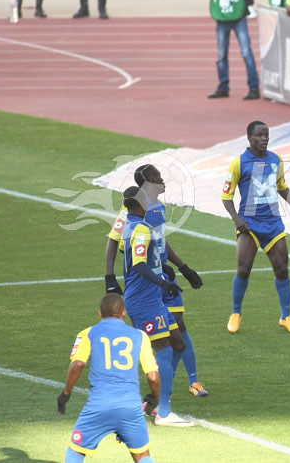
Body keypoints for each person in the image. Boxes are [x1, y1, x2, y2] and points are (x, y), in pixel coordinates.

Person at [105, 164, 207, 398]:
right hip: (146, 282)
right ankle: (150, 390)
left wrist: (184, 268)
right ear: (146, 184)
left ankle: (193, 381)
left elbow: (160, 241)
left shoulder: (159, 208)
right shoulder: (130, 211)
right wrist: (110, 276)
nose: (162, 179)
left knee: (179, 327)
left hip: (164, 275)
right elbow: (114, 240)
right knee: (154, 340)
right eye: (156, 177)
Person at [221, 120, 290, 335]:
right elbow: (226, 196)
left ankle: (286, 317)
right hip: (249, 225)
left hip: (273, 224)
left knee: (282, 269)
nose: (264, 139)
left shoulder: (276, 160)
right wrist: (236, 219)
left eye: (266, 135)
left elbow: (282, 187)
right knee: (243, 269)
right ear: (249, 138)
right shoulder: (239, 163)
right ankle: (236, 313)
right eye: (259, 135)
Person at [119, 186, 194, 426]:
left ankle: (155, 399)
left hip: (151, 299)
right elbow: (140, 264)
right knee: (163, 350)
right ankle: (163, 412)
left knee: (178, 343)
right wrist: (162, 282)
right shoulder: (140, 228)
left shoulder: (130, 226)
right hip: (144, 301)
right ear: (141, 203)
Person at [57, 293, 161, 462]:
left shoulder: (88, 333)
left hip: (99, 406)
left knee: (75, 452)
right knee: (142, 455)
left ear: (99, 313)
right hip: (130, 408)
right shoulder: (140, 336)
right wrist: (155, 398)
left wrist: (65, 394)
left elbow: (77, 365)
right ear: (124, 313)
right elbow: (153, 376)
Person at [204, 0, 260, 100]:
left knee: (246, 53)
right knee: (222, 55)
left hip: (239, 18)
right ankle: (223, 86)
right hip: (222, 19)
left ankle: (254, 88)